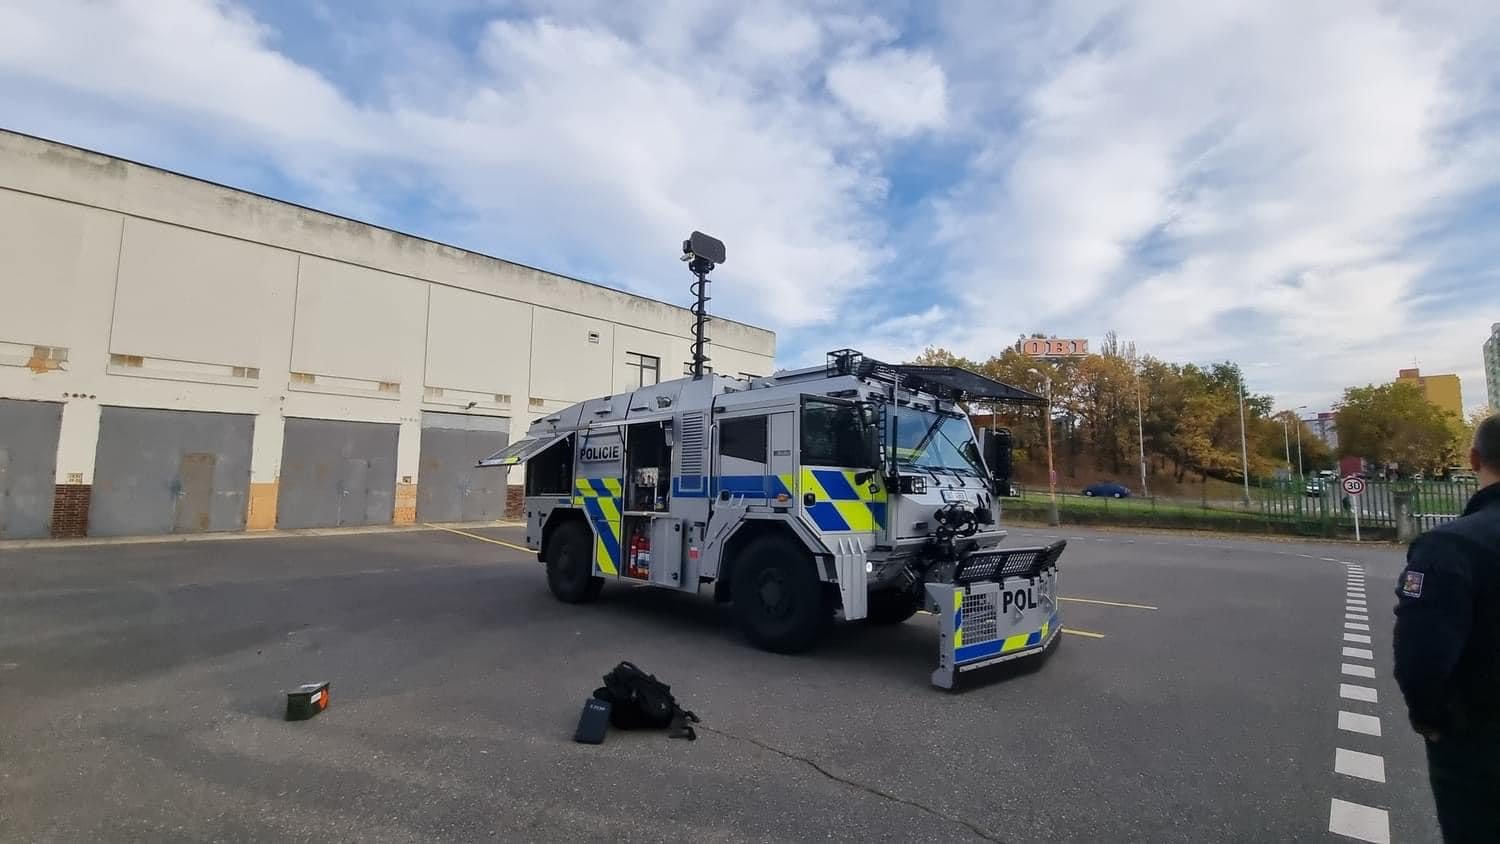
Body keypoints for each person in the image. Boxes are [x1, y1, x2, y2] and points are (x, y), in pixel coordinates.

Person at [1394, 414, 1500, 841]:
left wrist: (1431, 720)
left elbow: (1421, 657)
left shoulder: (1452, 547)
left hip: (1482, 750)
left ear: (1474, 459)